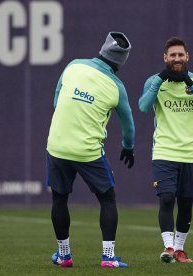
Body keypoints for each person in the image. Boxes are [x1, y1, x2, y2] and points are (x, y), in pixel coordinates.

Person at [46, 31, 135, 269]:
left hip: (57, 145)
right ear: (122, 61)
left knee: (59, 198)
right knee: (107, 199)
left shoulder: (73, 65)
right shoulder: (117, 86)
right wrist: (128, 147)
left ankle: (64, 255)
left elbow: (56, 100)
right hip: (87, 151)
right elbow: (128, 126)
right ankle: (108, 257)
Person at [139, 37, 193, 263]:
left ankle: (180, 250)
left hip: (190, 153)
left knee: (186, 202)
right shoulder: (154, 81)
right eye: (173, 55)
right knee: (167, 199)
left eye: (181, 55)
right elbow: (143, 106)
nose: (177, 58)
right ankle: (169, 247)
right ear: (165, 58)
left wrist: (190, 84)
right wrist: (161, 79)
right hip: (164, 152)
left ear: (187, 57)